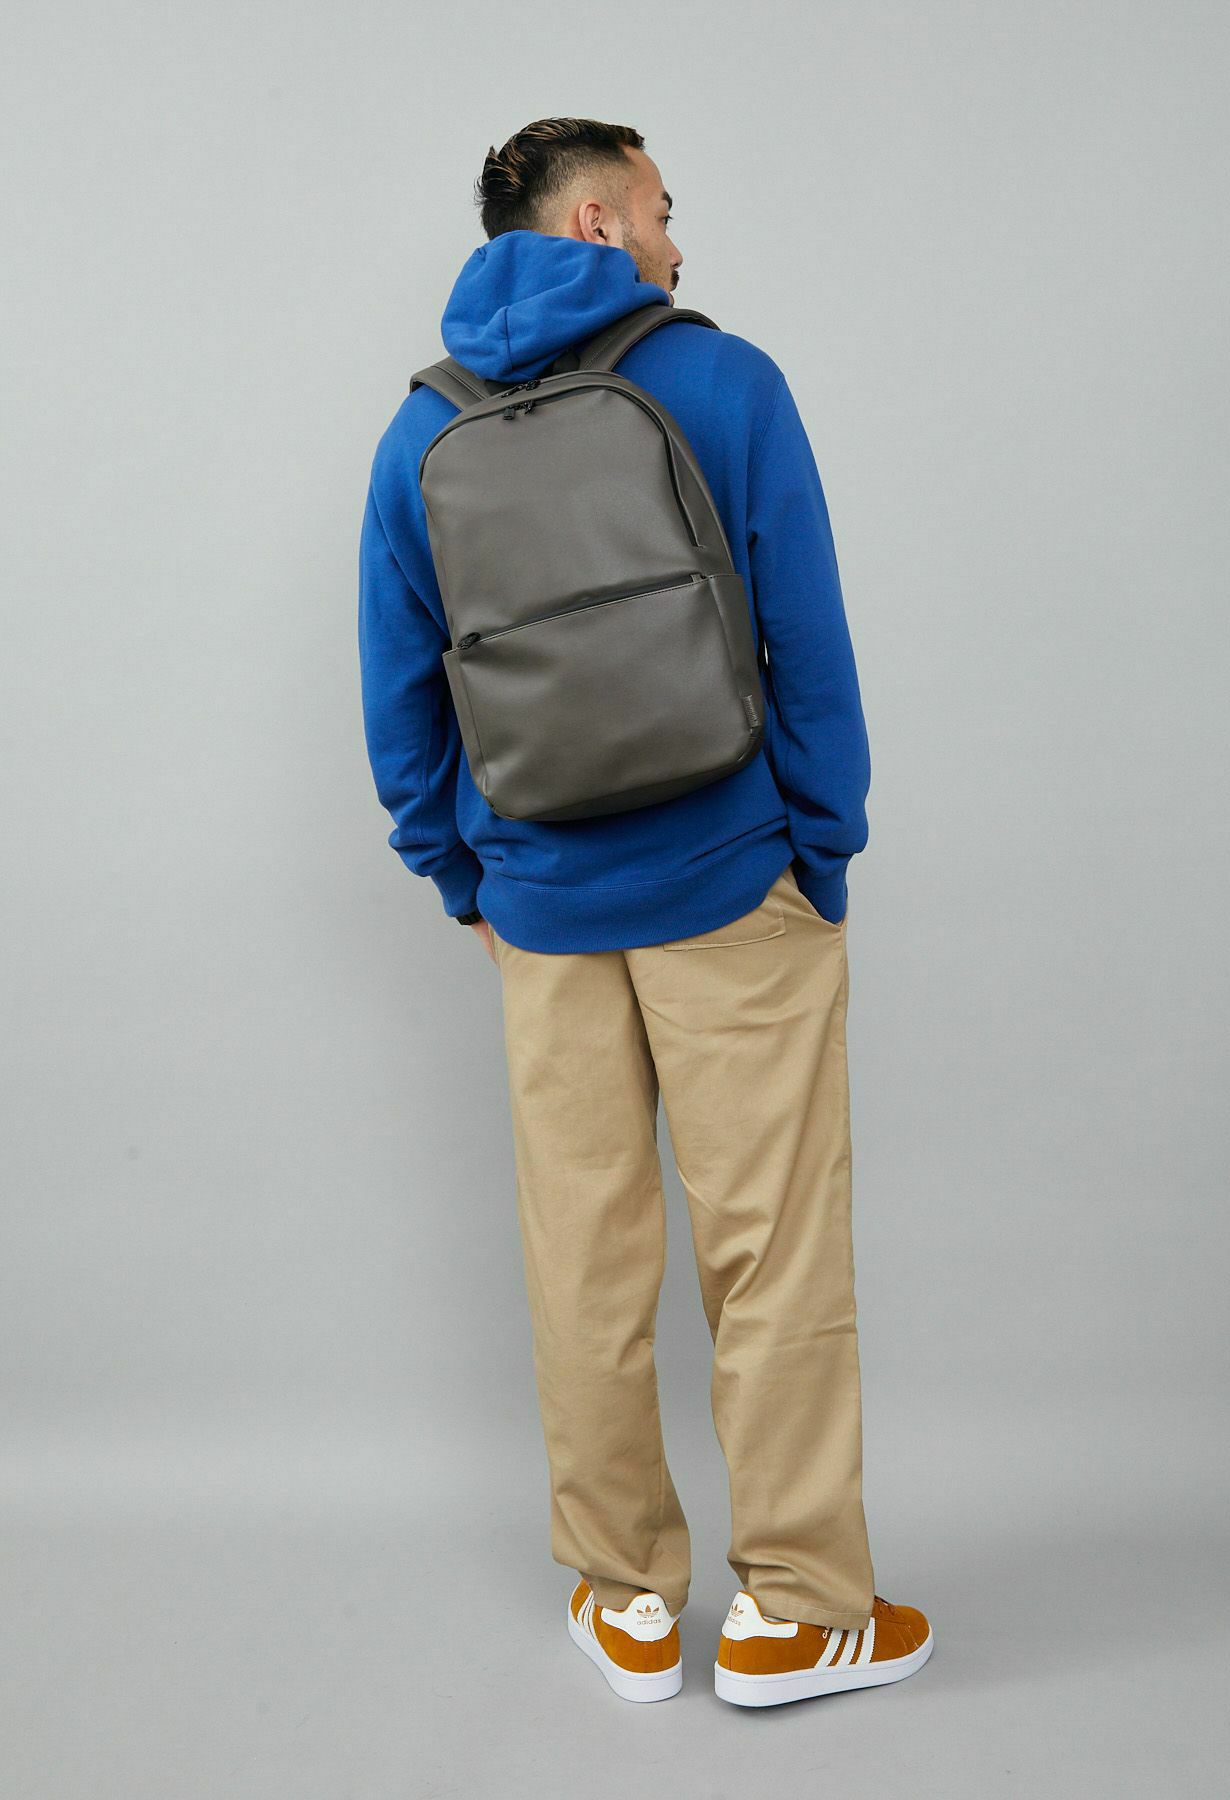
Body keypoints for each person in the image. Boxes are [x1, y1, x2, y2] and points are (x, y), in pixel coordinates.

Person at [357, 117, 931, 1708]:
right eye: (665, 211)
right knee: (773, 1252)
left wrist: (460, 871)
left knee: (585, 1257)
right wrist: (823, 845)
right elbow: (808, 642)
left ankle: (623, 1599)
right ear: (600, 220)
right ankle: (796, 1611)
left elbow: (400, 696)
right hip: (729, 878)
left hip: (540, 905)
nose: (681, 240)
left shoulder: (420, 433)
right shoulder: (725, 382)